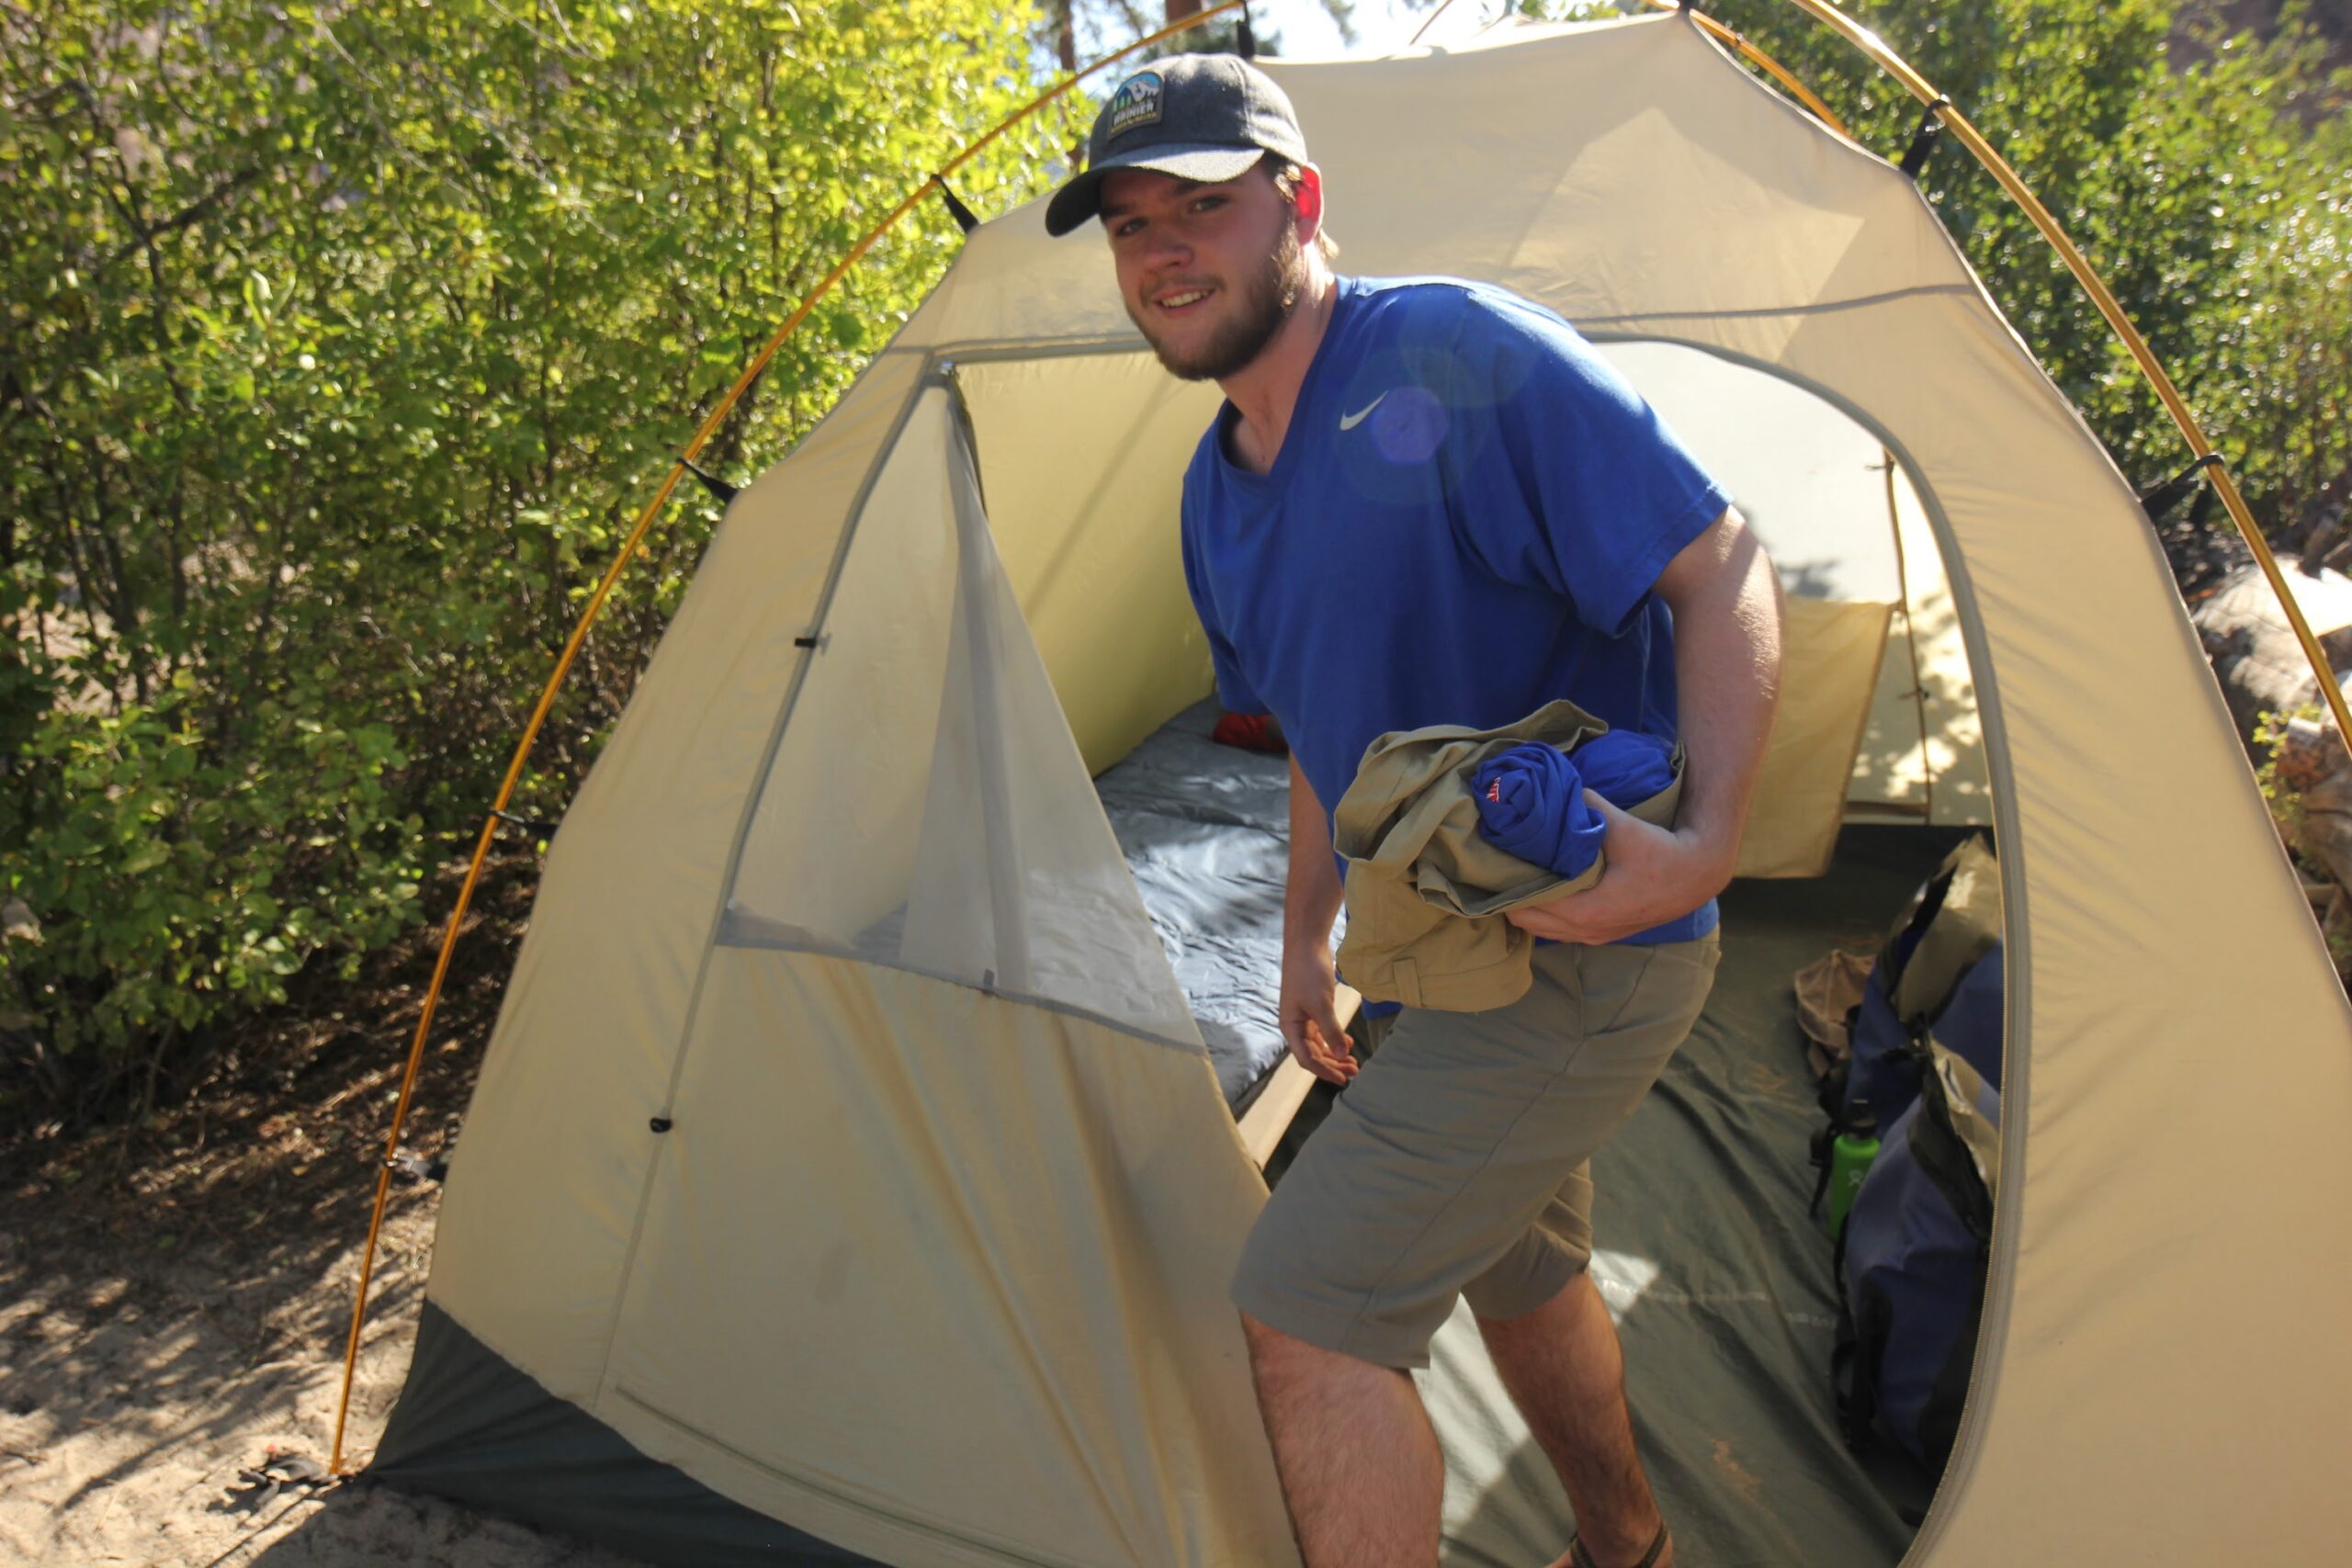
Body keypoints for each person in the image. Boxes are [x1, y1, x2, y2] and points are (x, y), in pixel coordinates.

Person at [1046, 54, 1784, 1568]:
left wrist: (1705, 845)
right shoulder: (1213, 488)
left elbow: (1722, 563)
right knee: (1521, 1273)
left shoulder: (1455, 353)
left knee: (1306, 1313)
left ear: (1297, 203)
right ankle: (1625, 1545)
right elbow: (1326, 733)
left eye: (1201, 203)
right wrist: (1307, 940)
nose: (1162, 250)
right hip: (1432, 957)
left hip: (1584, 946)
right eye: (1128, 223)